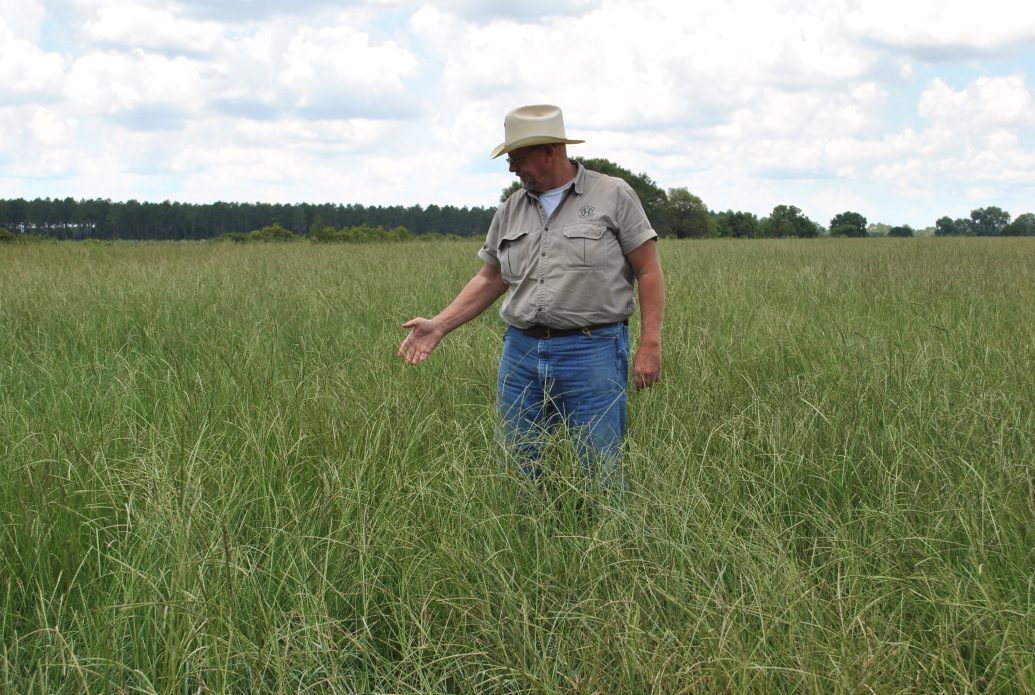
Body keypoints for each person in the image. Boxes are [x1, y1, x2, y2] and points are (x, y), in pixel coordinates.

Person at [397, 104, 664, 495]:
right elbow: (490, 279)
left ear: (549, 152)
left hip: (593, 352)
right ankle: (529, 539)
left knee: (600, 469)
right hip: (520, 353)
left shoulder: (613, 195)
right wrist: (439, 325)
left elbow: (649, 271)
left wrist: (650, 344)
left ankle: (611, 545)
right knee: (518, 464)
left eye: (517, 158)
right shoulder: (511, 209)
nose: (512, 169)